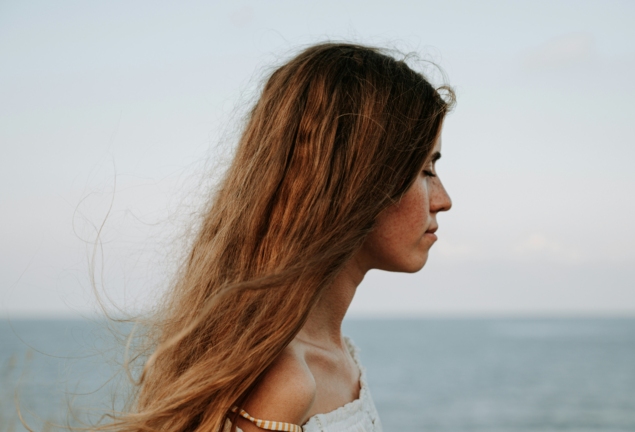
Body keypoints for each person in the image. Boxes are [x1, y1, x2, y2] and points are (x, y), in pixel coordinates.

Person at [108, 42, 455, 432]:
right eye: (426, 170)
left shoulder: (336, 355)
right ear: (360, 183)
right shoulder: (285, 381)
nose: (443, 201)